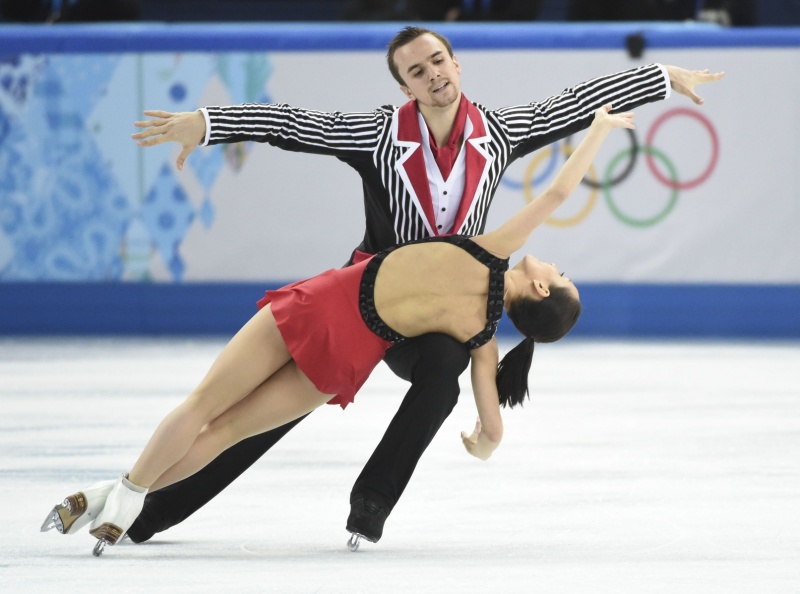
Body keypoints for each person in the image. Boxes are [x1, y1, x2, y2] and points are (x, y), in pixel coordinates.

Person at [117, 27, 723, 547]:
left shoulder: (501, 134)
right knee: (265, 415)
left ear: (457, 66)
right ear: (404, 87)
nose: (432, 74)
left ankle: (372, 504)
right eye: (416, 70)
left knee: (443, 374)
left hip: (433, 321)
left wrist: (661, 77)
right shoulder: (378, 138)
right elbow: (297, 125)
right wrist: (208, 122)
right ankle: (150, 512)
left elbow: (573, 106)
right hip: (365, 299)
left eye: (438, 61)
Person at [43, 104, 633, 556]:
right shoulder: (484, 339)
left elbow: (557, 190)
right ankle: (113, 502)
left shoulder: (494, 250)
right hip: (346, 358)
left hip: (324, 306)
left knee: (203, 406)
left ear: (540, 288)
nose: (556, 264)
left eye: (562, 275)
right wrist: (481, 440)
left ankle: (117, 490)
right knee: (222, 433)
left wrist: (600, 130)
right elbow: (492, 433)